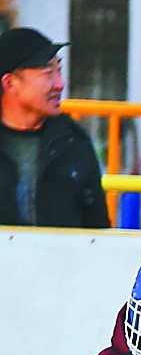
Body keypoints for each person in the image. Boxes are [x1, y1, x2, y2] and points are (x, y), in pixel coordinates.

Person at [0, 27, 108, 230]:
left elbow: (97, 228)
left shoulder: (72, 141)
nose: (60, 85)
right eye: (48, 73)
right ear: (10, 83)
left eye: (59, 71)